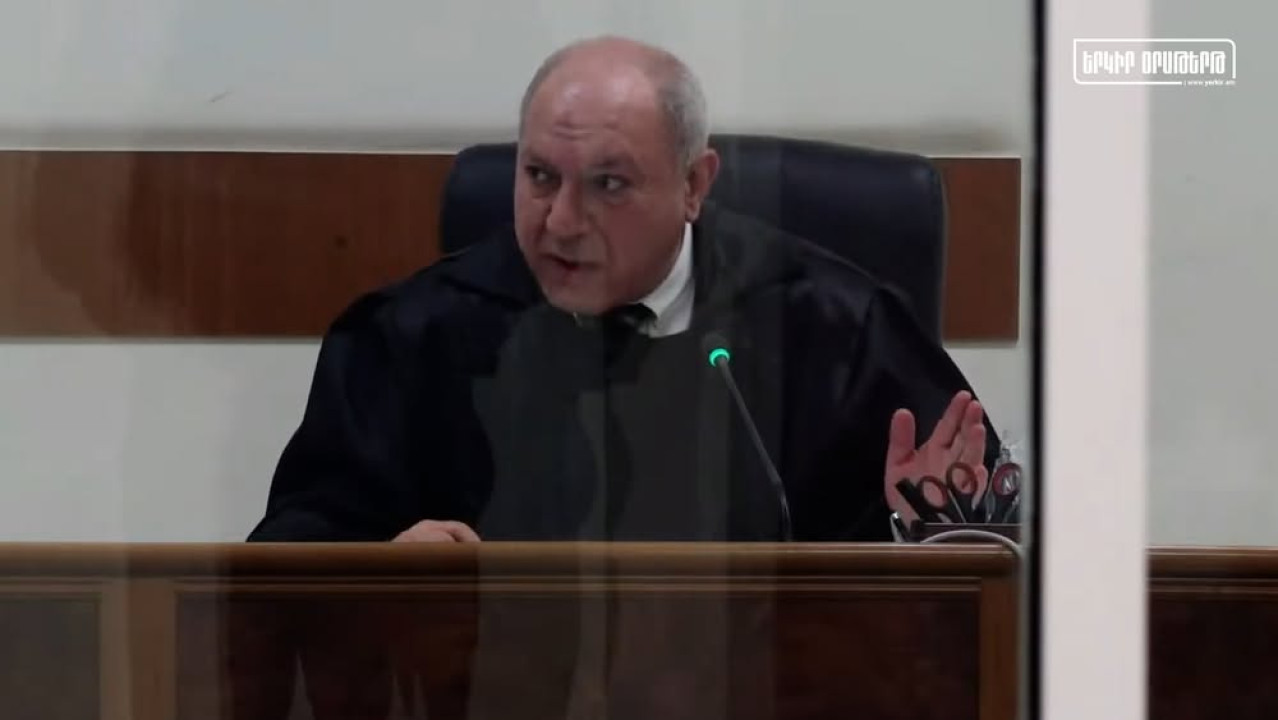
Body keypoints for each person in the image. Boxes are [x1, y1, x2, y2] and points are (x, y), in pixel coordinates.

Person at [247, 36, 1000, 544]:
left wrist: (931, 537)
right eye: (540, 177)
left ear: (694, 185)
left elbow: (983, 543)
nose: (561, 222)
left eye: (608, 185)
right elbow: (290, 565)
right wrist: (381, 572)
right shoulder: (414, 337)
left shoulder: (834, 329)